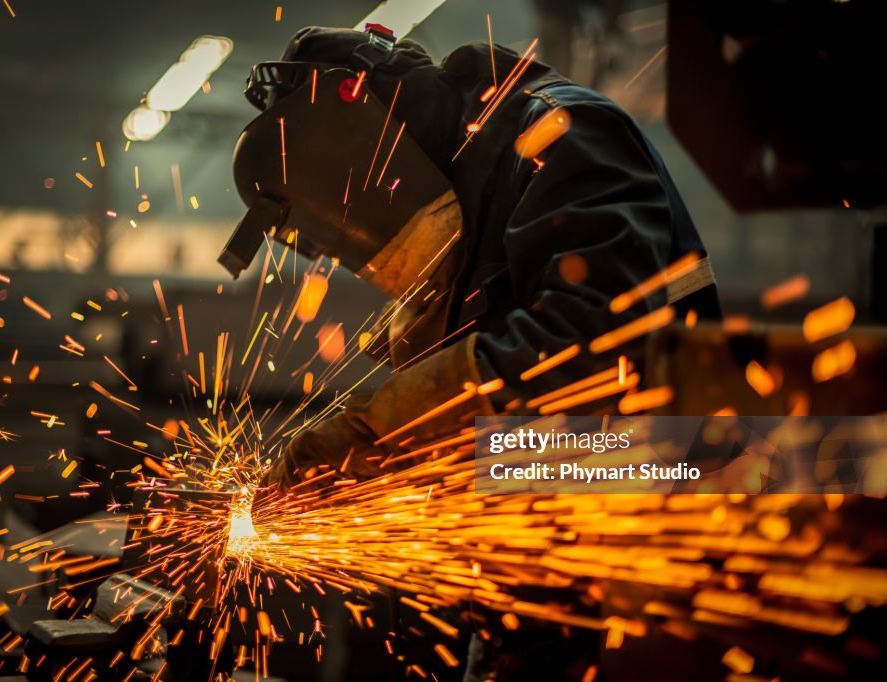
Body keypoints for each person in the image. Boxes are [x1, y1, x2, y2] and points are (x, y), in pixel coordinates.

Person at [219, 25, 722, 680]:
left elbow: (593, 358)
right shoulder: (462, 183)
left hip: (659, 504)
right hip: (545, 573)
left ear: (360, 119)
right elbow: (491, 428)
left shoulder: (554, 133)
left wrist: (376, 434)